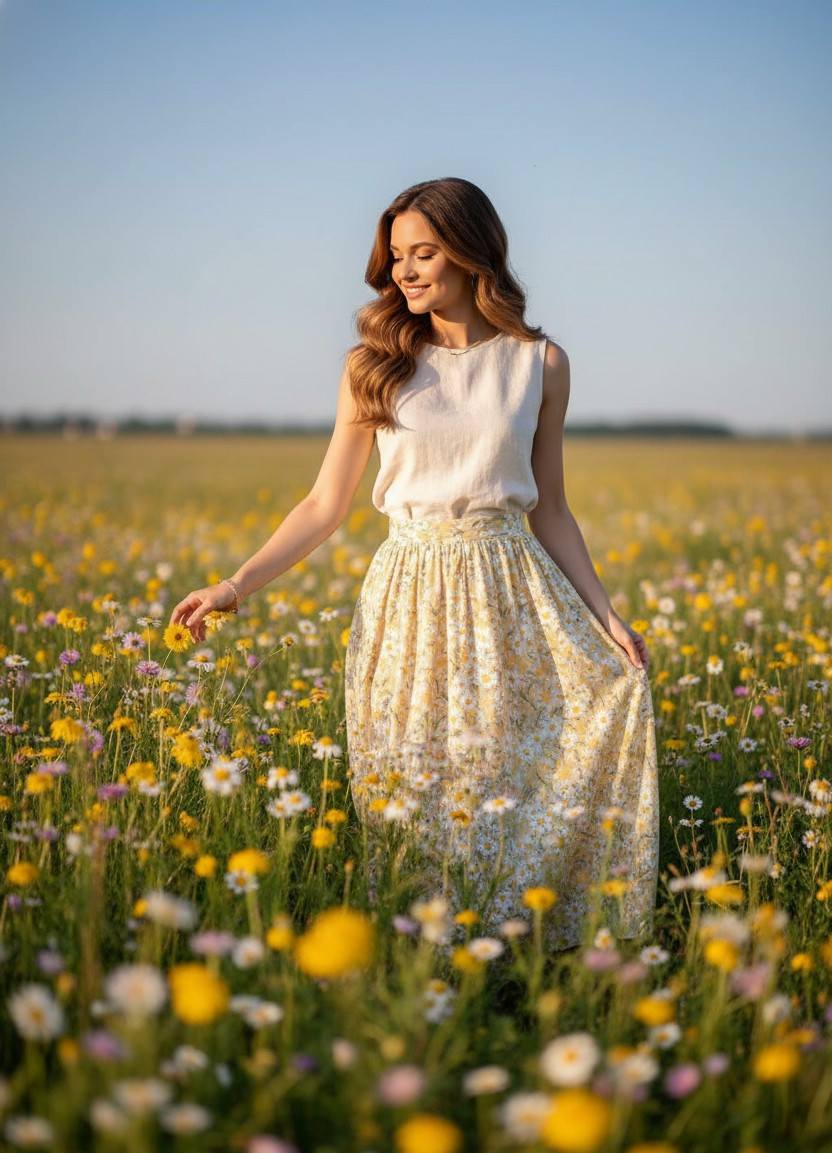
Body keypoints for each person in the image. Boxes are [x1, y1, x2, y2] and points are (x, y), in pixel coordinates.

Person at [170, 177, 659, 950]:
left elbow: (552, 508)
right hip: (408, 600)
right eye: (396, 255)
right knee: (413, 788)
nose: (405, 269)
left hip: (512, 593)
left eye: (424, 251)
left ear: (472, 253)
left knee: (506, 782)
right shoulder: (377, 361)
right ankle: (418, 962)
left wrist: (609, 618)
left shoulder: (540, 363)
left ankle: (524, 957)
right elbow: (324, 504)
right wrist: (235, 585)